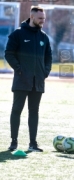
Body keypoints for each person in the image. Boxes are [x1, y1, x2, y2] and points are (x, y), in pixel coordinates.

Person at [5, 6, 52, 152]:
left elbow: (48, 57)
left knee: (34, 112)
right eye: (40, 18)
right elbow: (8, 54)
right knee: (17, 110)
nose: (43, 21)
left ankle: (33, 143)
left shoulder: (44, 36)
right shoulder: (18, 34)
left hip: (38, 81)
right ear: (32, 17)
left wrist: (45, 72)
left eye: (44, 18)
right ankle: (14, 142)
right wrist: (19, 69)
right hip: (21, 80)